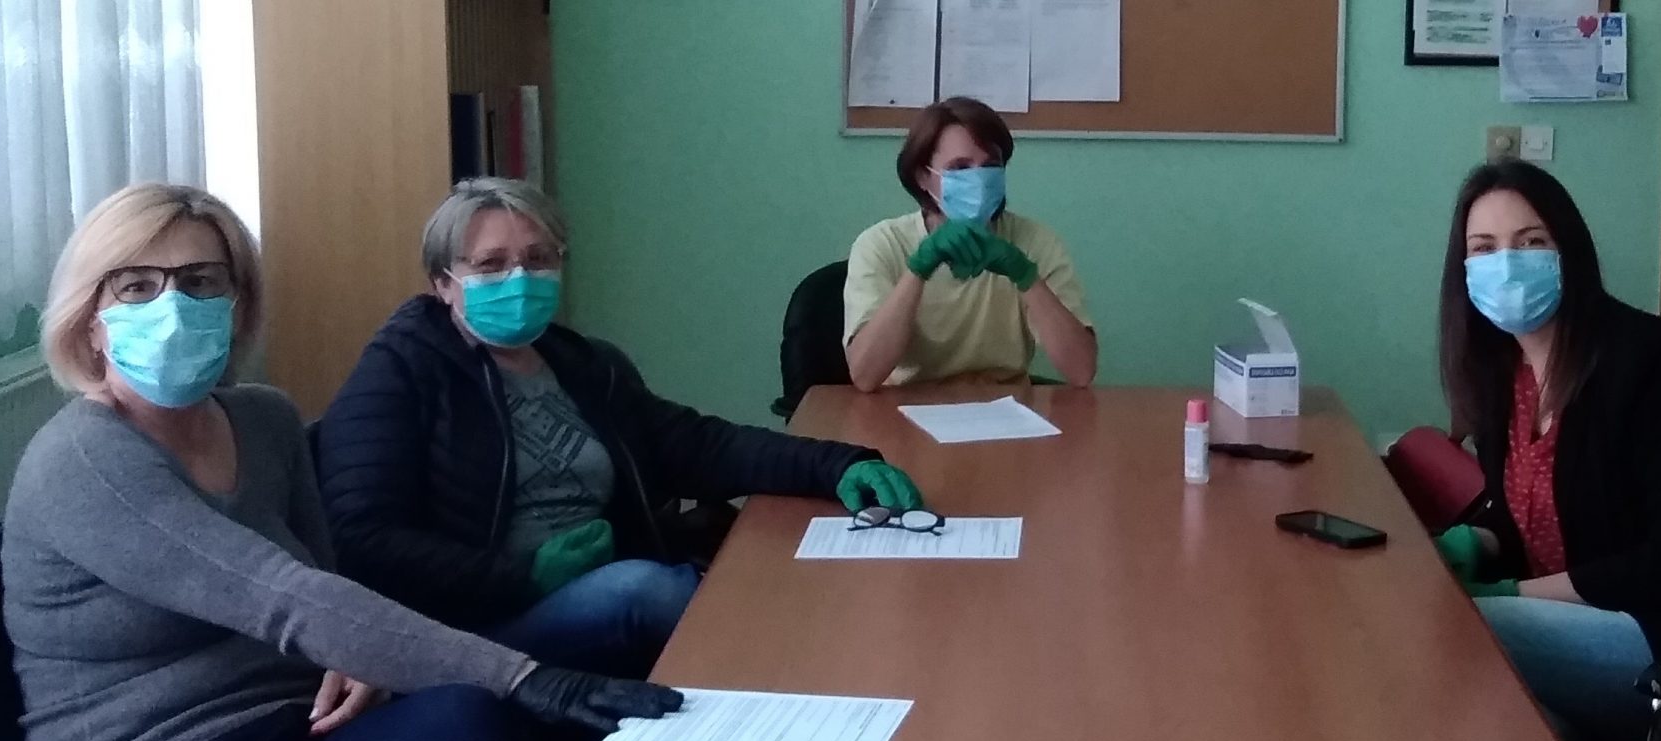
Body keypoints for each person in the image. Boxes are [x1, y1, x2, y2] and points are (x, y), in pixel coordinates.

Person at [3, 183, 683, 741]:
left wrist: (358, 655)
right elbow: (283, 596)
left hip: (304, 728)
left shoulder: (264, 420)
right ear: (90, 320)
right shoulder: (84, 459)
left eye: (200, 281)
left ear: (237, 300)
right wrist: (529, 677)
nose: (174, 306)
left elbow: (327, 580)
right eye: (136, 286)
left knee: (467, 724)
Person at [316, 178, 921, 678]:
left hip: (600, 588)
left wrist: (836, 463)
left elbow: (697, 444)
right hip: (474, 628)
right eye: (491, 265)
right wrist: (522, 577)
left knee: (772, 578)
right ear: (444, 283)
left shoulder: (578, 363)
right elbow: (363, 538)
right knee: (649, 592)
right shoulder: (399, 372)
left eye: (538, 259)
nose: (519, 279)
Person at [1428, 158, 1661, 741]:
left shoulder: (1655, 363)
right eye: (1483, 249)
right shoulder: (1505, 375)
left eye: (1530, 242)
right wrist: (1474, 543)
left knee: (1450, 629)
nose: (1506, 264)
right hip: (1570, 629)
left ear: (1570, 251)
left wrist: (1514, 594)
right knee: (1497, 723)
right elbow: (1529, 514)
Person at [842, 97, 1096, 389]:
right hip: (905, 406)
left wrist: (1026, 275)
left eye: (990, 166)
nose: (979, 180)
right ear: (923, 176)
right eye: (960, 167)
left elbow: (1081, 371)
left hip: (1006, 406)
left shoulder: (1035, 241)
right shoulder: (881, 244)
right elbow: (865, 375)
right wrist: (917, 269)